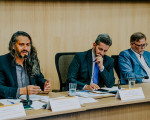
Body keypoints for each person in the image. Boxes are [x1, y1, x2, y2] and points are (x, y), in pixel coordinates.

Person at [0, 31, 51, 99]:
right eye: (21, 44)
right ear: (13, 46)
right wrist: (21, 91)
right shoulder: (2, 61)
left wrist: (44, 85)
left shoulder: (32, 60)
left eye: (28, 45)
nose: (25, 48)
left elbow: (39, 78)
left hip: (31, 102)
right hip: (10, 103)